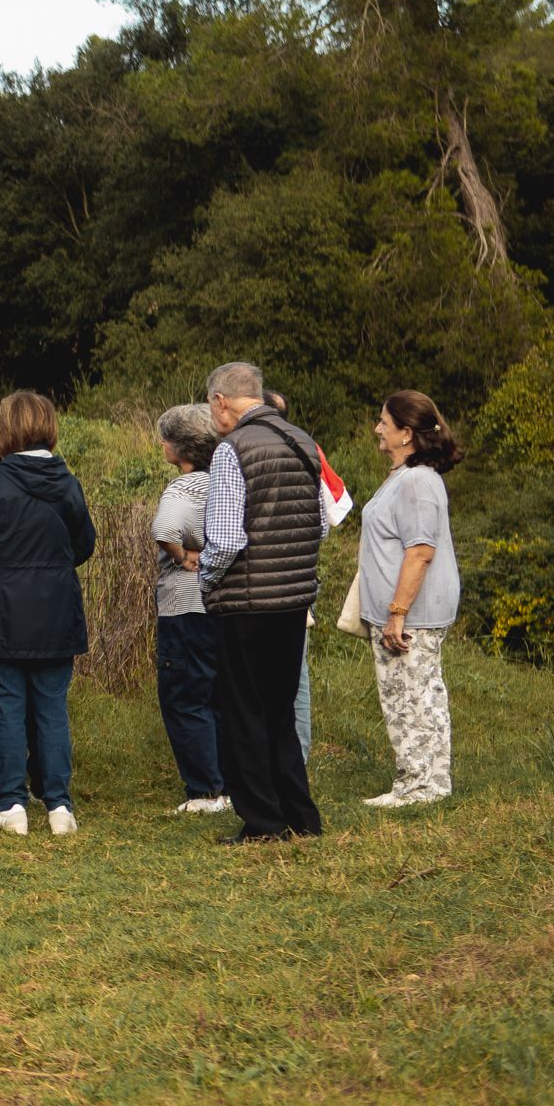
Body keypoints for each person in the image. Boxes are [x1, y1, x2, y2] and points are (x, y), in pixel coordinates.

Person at [0, 390, 95, 837]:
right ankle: (59, 807)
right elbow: (84, 546)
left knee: (7, 707)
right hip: (54, 606)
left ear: (6, 428)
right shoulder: (67, 484)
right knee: (52, 708)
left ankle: (12, 804)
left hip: (0, 609)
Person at [201, 361, 330, 844]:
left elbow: (227, 538)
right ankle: (301, 815)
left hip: (247, 600)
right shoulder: (301, 440)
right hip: (294, 597)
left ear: (221, 402)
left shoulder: (232, 451)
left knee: (244, 712)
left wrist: (208, 580)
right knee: (279, 710)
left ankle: (263, 822)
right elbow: (319, 521)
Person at [358, 391, 463, 809]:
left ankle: (418, 786)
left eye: (384, 421)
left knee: (408, 697)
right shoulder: (407, 476)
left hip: (410, 615)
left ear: (406, 433)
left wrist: (396, 613)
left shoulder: (418, 481)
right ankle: (431, 783)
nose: (377, 428)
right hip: (408, 612)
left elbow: (420, 551)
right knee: (419, 694)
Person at [263, 386, 352, 759]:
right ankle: (293, 757)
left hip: (272, 580)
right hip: (300, 576)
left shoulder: (256, 453)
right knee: (294, 675)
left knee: (280, 677)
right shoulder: (306, 449)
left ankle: (282, 757)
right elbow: (322, 525)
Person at [151, 402, 229, 815]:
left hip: (184, 603)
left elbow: (164, 530)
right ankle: (228, 783)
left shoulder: (183, 487)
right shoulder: (227, 482)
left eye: (166, 438)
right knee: (219, 694)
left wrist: (182, 557)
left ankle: (204, 790)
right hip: (221, 604)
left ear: (179, 448)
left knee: (185, 696)